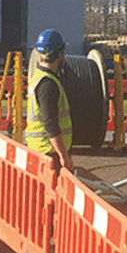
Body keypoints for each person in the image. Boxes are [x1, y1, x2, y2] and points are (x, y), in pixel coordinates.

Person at [26, 29, 74, 171]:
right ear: (59, 54)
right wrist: (63, 156)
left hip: (41, 150)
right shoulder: (48, 84)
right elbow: (50, 124)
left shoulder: (38, 77)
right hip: (49, 153)